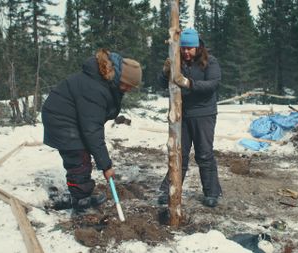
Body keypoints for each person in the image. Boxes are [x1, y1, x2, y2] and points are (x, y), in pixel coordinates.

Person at [42, 49, 142, 214]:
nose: (129, 89)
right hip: (61, 120)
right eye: (128, 85)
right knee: (79, 159)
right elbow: (92, 130)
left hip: (73, 118)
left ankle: (80, 196)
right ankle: (81, 202)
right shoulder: (95, 88)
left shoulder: (106, 83)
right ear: (120, 78)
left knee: (82, 156)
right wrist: (106, 165)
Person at [157, 28, 222, 207]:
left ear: (198, 47)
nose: (186, 52)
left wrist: (189, 83)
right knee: (179, 154)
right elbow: (162, 84)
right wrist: (165, 72)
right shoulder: (177, 61)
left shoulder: (210, 62)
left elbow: (213, 84)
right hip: (182, 115)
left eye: (190, 48)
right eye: (183, 48)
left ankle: (212, 192)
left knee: (204, 153)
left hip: (204, 114)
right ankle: (168, 190)